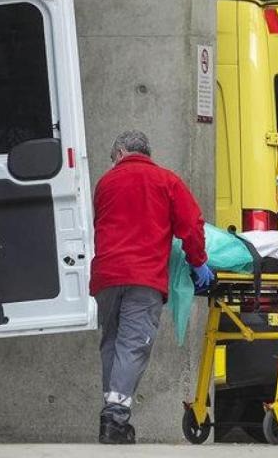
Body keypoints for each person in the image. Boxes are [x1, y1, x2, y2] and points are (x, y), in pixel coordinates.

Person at [90, 130, 213, 444]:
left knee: (112, 343)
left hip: (106, 277)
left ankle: (112, 414)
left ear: (120, 153)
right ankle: (115, 419)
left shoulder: (105, 183)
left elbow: (99, 224)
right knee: (133, 345)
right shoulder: (167, 181)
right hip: (143, 278)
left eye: (113, 158)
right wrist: (198, 261)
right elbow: (191, 225)